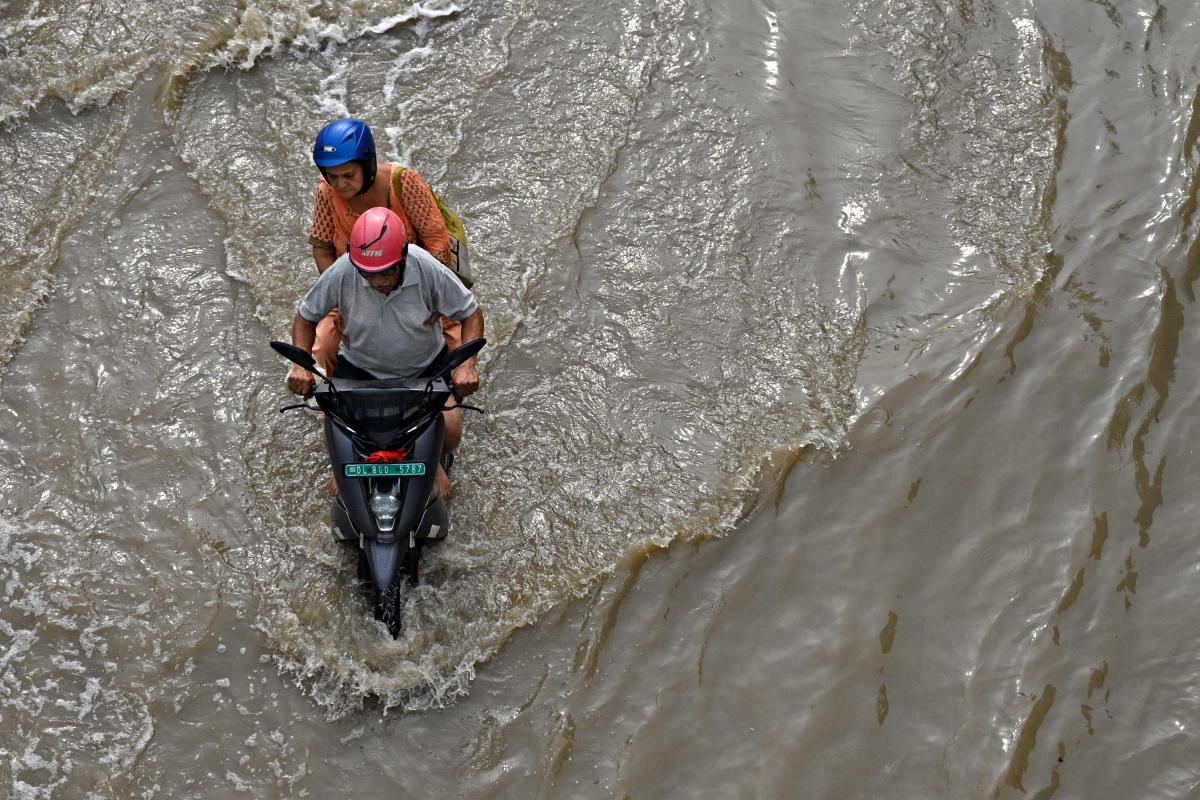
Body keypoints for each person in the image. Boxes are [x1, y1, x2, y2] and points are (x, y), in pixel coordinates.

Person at [288, 207, 484, 499]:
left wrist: (467, 365)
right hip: (359, 368)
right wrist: (299, 364)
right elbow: (305, 318)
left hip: (424, 368)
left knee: (452, 428)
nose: (378, 281)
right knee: (336, 429)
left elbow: (471, 313)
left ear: (403, 257)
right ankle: (345, 464)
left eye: (387, 271)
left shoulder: (426, 267)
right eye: (368, 274)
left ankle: (434, 465)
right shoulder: (343, 270)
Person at [308, 117, 463, 375]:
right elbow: (323, 249)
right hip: (357, 281)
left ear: (367, 165)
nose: (339, 184)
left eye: (348, 175)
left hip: (414, 280)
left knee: (454, 347)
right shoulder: (326, 192)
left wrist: (434, 301)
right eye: (332, 176)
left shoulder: (403, 184)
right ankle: (341, 397)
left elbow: (438, 244)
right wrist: (341, 302)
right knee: (325, 345)